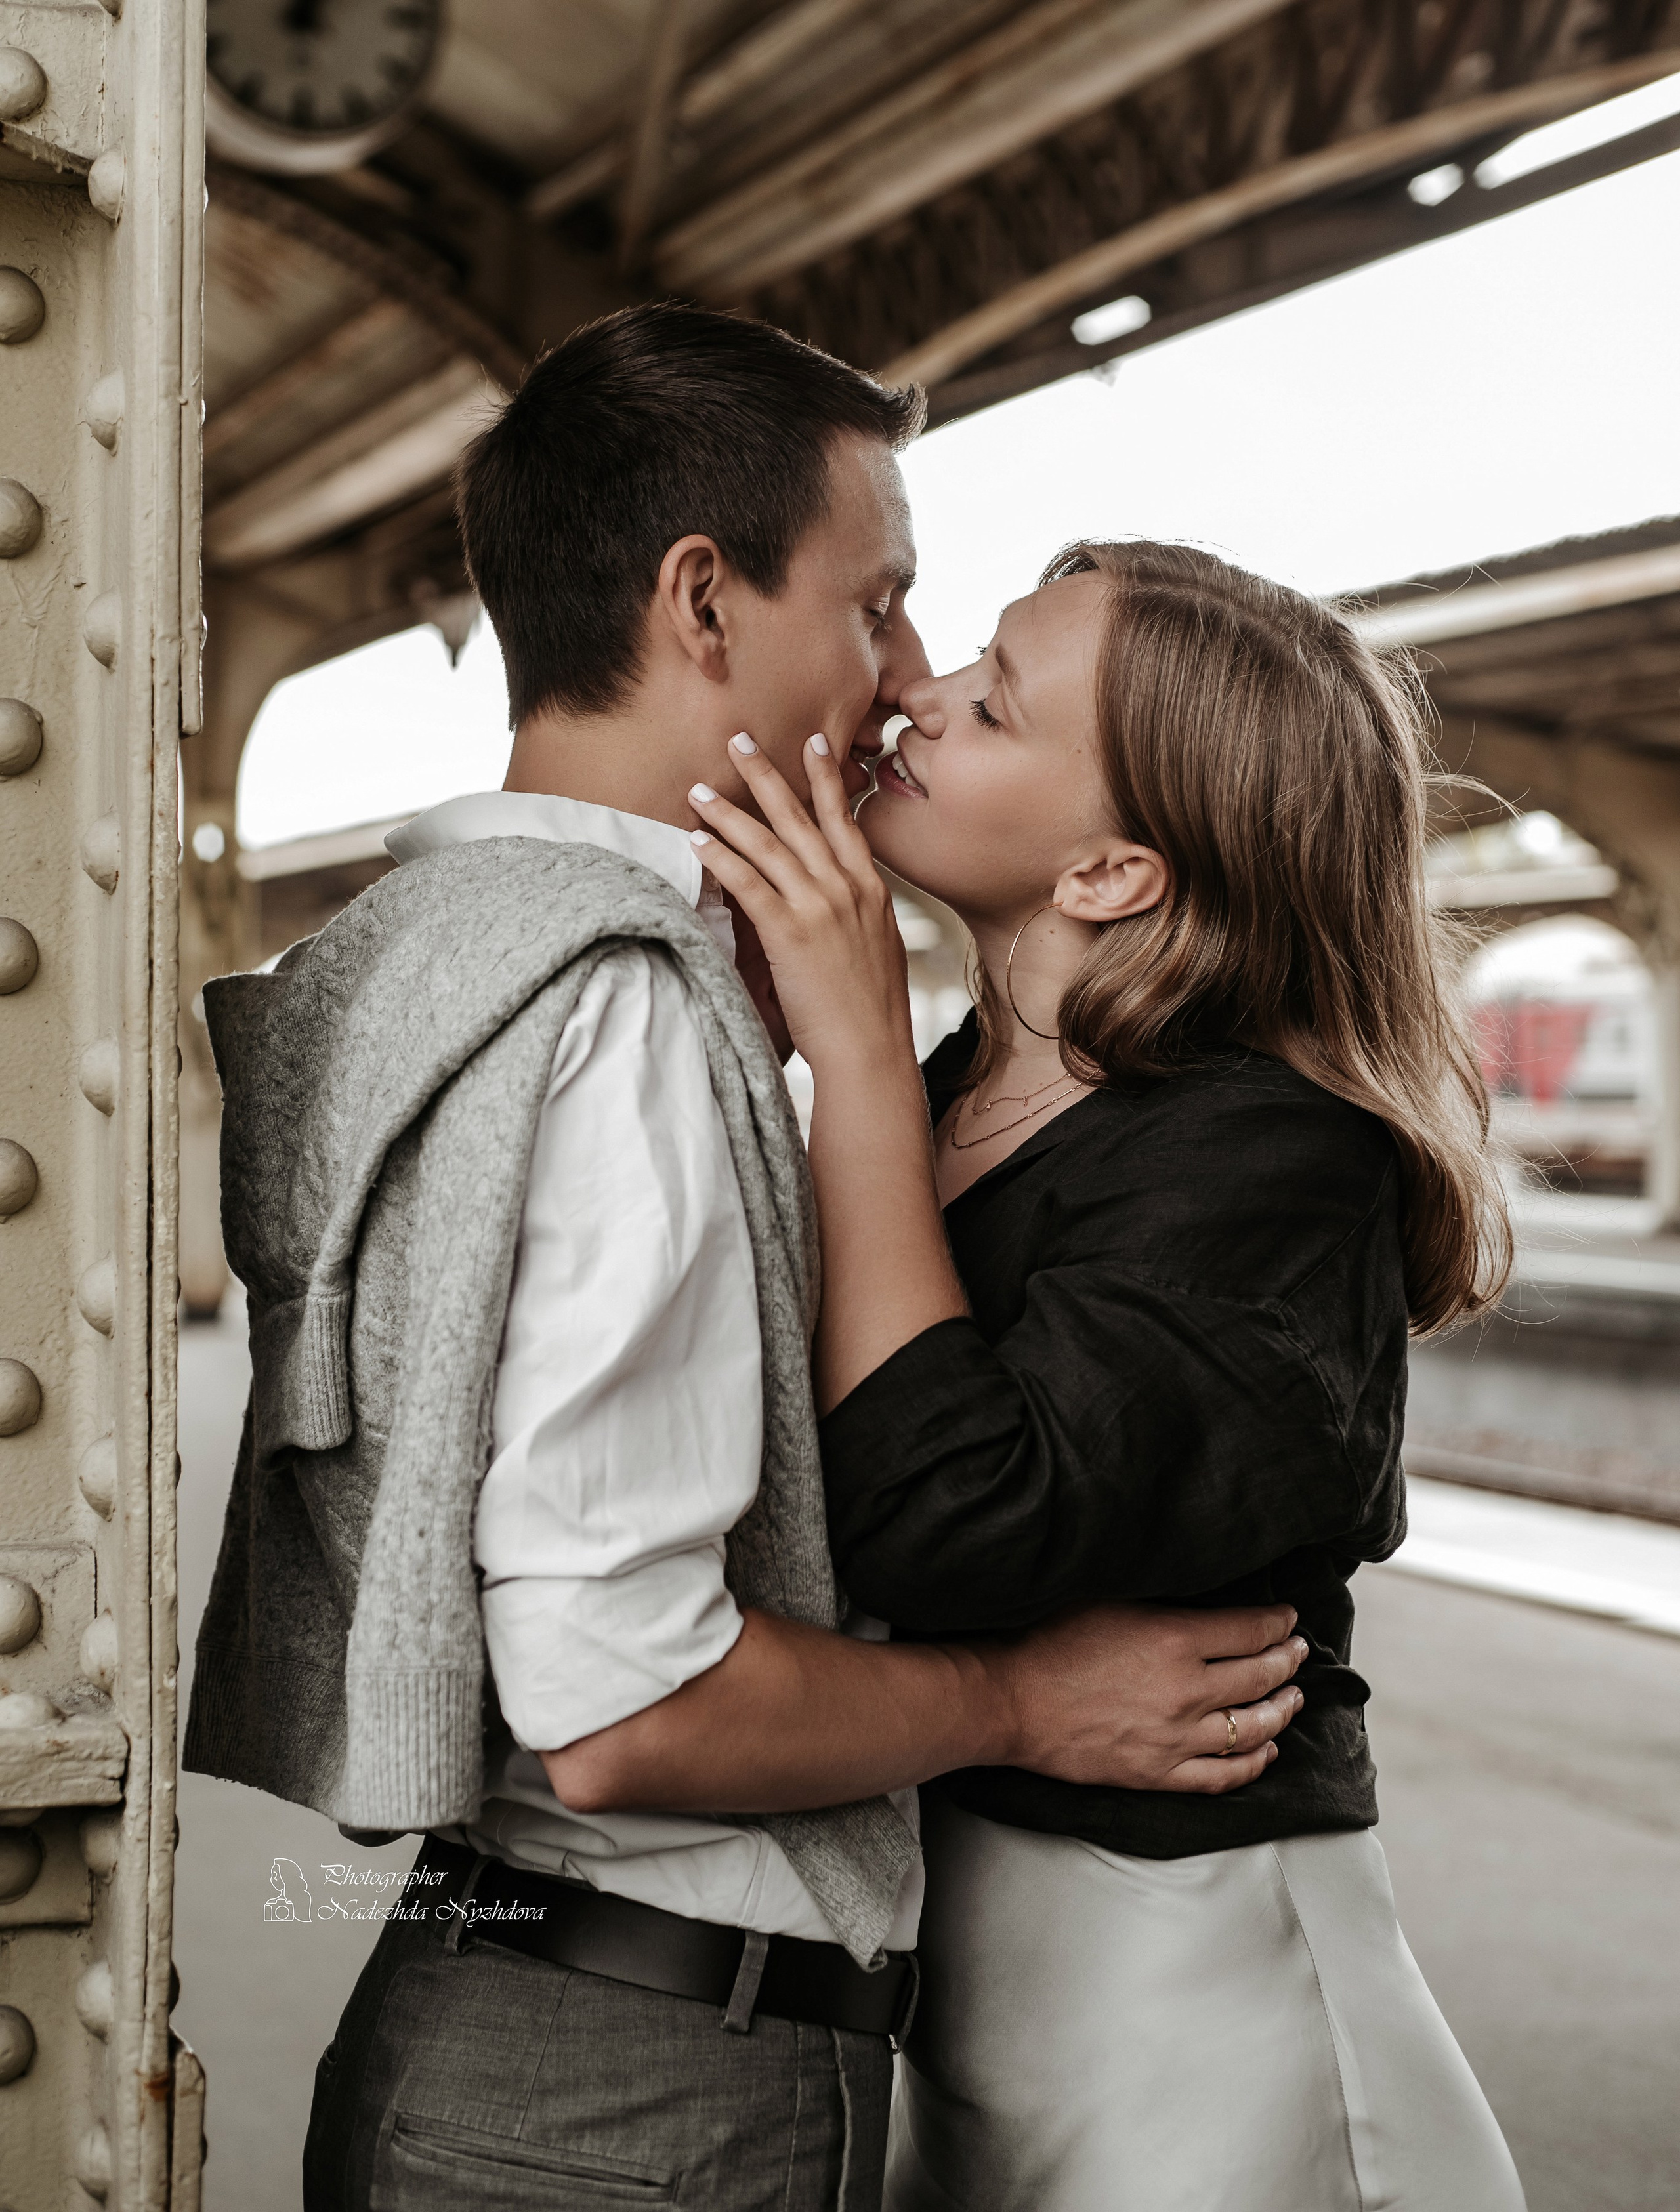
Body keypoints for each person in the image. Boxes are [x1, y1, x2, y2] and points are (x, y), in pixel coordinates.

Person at [184, 311, 1308, 2212]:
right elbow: (630, 1707)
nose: (901, 678)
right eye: (877, 605)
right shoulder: (623, 1008)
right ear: (703, 602)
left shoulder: (416, 946)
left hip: (489, 2011)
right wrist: (1031, 1699)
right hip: (640, 2105)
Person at [688, 535, 1529, 2211]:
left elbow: (944, 1517)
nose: (909, 699)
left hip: (1213, 2026)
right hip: (996, 2028)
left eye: (989, 703)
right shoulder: (943, 1097)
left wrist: (850, 1043)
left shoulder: (1271, 1158)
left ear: (1108, 876)